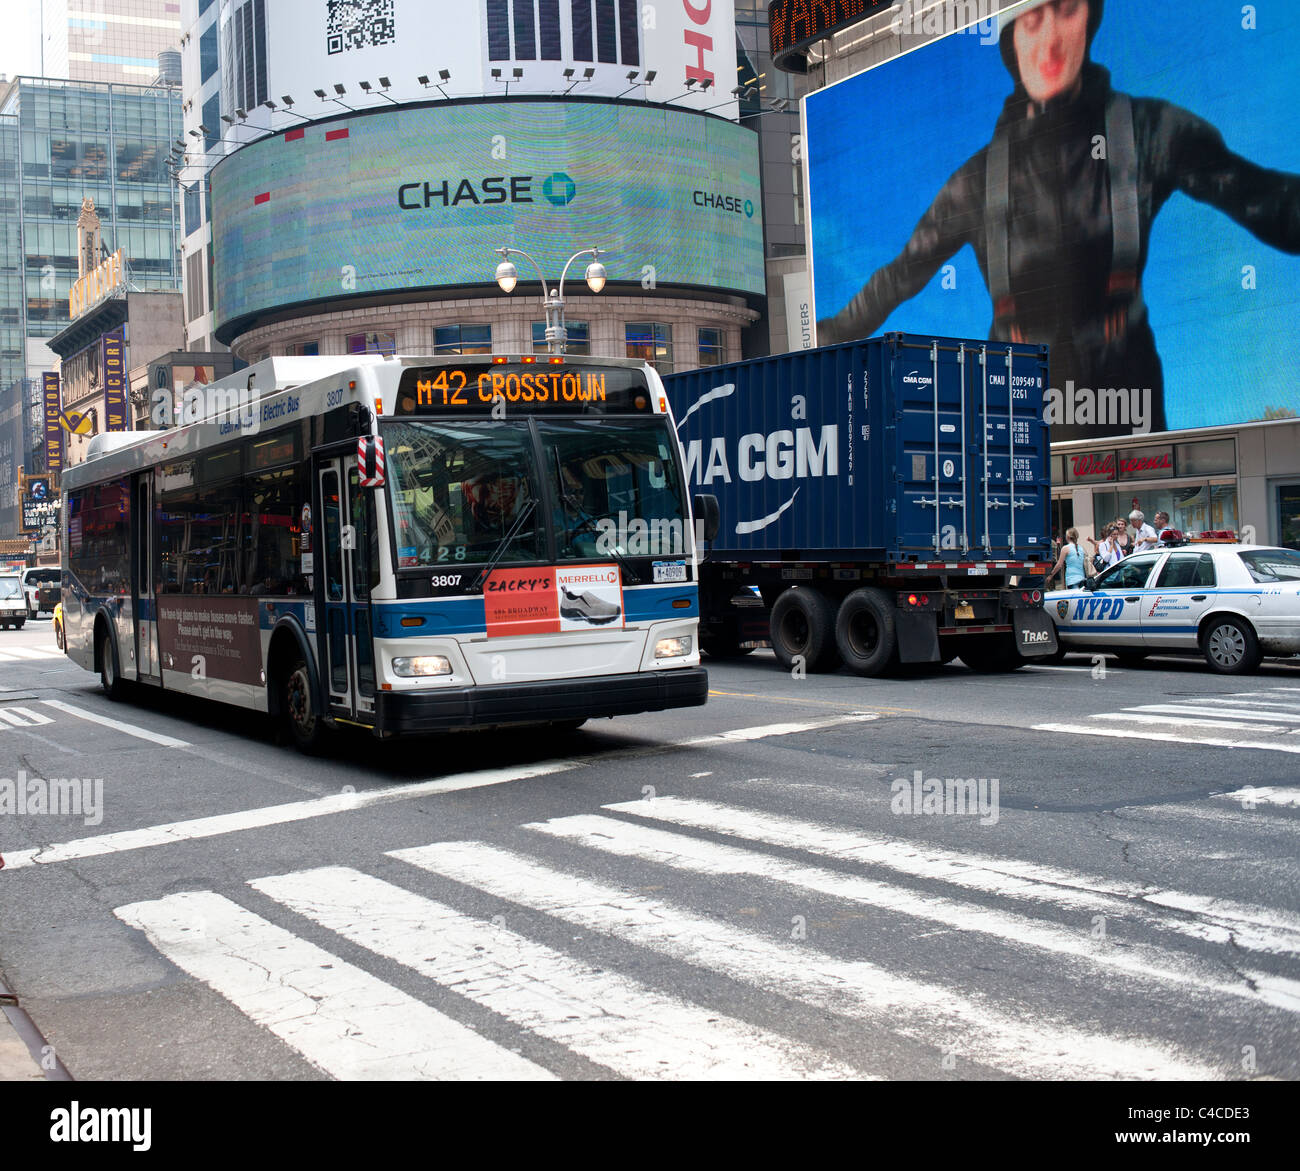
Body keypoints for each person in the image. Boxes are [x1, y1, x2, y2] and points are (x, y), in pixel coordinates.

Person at [815, 0, 1300, 441]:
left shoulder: (1152, 131)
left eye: (1067, 10)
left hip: (1127, 407)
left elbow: (1268, 202)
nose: (1049, 41)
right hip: (1015, 406)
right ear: (1010, 41)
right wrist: (822, 342)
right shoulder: (977, 180)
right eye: (1031, 19)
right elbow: (900, 276)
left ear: (1089, 19)